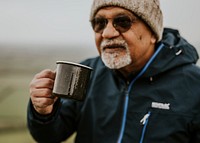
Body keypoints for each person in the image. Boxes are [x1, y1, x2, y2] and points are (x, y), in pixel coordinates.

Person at [27, 0, 200, 143]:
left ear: (153, 33)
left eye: (123, 21)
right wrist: (43, 112)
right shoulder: (84, 75)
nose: (107, 33)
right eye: (99, 23)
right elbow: (49, 136)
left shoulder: (194, 86)